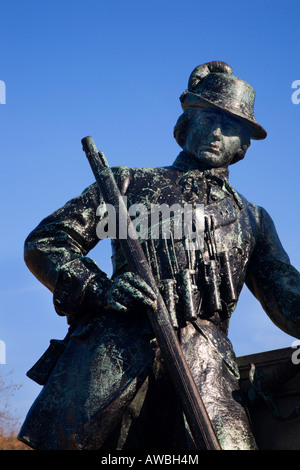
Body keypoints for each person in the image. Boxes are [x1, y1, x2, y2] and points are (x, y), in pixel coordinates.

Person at [18, 61, 300, 450]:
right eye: (208, 118)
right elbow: (47, 241)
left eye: (231, 126)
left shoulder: (253, 218)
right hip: (114, 353)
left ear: (244, 146)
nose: (216, 132)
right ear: (188, 123)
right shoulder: (127, 184)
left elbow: (286, 293)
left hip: (205, 366)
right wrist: (100, 289)